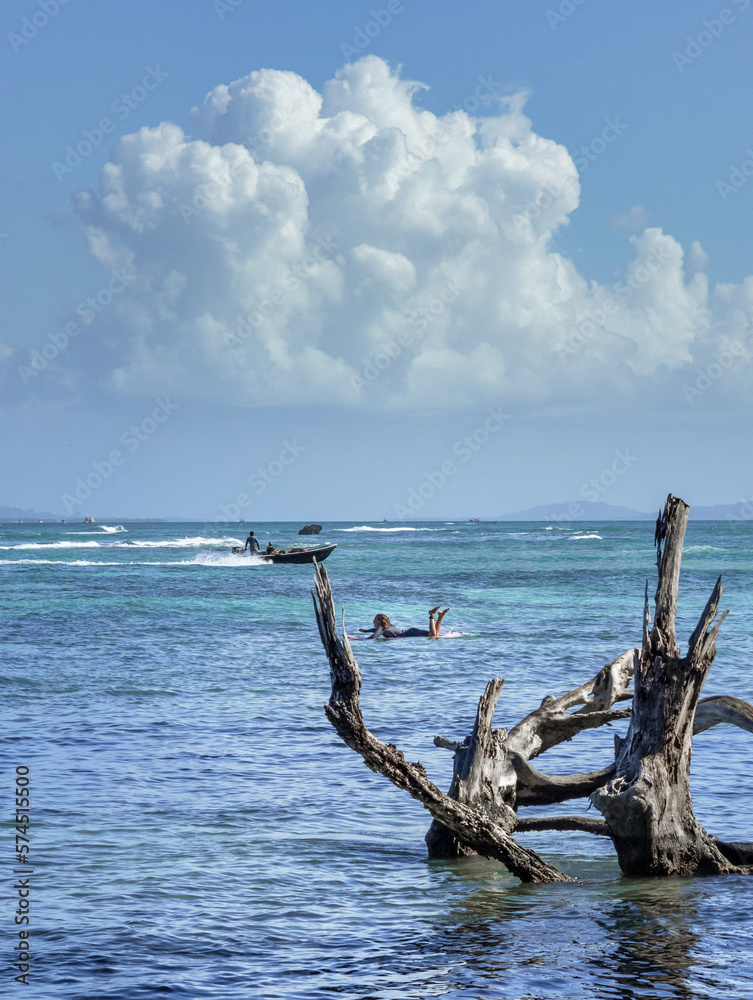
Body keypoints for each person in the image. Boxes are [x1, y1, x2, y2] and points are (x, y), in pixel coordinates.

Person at [359, 606, 450, 640]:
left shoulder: (382, 628)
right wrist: (365, 631)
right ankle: (440, 616)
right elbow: (375, 630)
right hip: (411, 631)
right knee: (435, 635)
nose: (373, 621)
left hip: (411, 633)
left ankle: (432, 615)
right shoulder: (388, 627)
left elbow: (374, 636)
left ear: (379, 621)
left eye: (374, 620)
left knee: (433, 635)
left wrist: (362, 640)